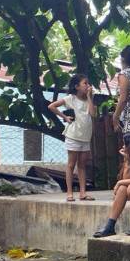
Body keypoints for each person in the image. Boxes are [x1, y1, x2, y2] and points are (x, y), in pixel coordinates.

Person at [49, 74, 96, 202]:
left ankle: (83, 193)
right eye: (85, 83)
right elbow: (51, 106)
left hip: (86, 136)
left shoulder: (89, 99)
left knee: (82, 165)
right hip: (74, 136)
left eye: (88, 83)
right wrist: (65, 117)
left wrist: (89, 97)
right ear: (76, 87)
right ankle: (69, 193)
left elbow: (93, 114)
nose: (88, 86)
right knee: (71, 165)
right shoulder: (71, 99)